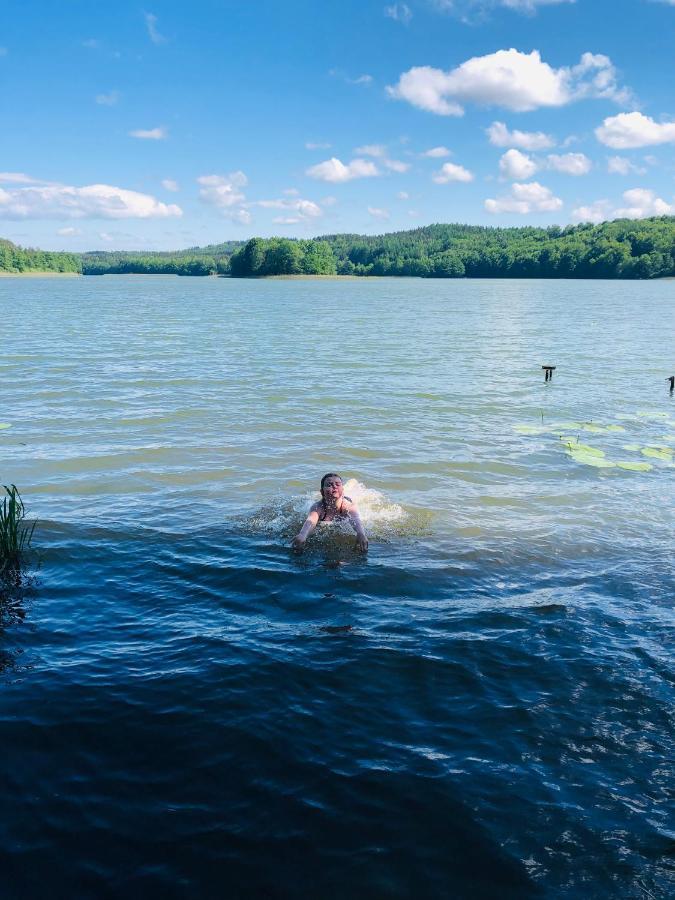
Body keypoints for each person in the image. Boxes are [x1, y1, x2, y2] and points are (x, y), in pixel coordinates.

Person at [292, 473, 368, 553]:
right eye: (329, 485)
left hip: (345, 499)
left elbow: (356, 519)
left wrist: (361, 533)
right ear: (322, 492)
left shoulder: (349, 506)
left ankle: (352, 483)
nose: (334, 487)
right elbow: (311, 521)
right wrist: (303, 534)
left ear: (342, 489)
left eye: (338, 484)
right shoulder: (318, 507)